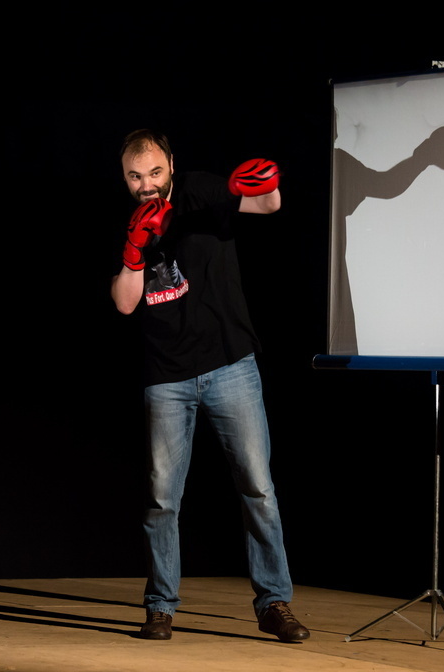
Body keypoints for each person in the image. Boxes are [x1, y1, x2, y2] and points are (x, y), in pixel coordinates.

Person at [110, 129, 310, 643]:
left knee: (258, 488)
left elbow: (268, 204)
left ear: (171, 165)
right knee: (161, 499)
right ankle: (160, 608)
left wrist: (265, 183)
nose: (147, 185)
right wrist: (135, 251)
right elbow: (125, 303)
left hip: (230, 364)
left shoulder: (198, 191)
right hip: (166, 377)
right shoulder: (123, 216)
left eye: (155, 172)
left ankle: (274, 603)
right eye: (136, 176)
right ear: (125, 176)